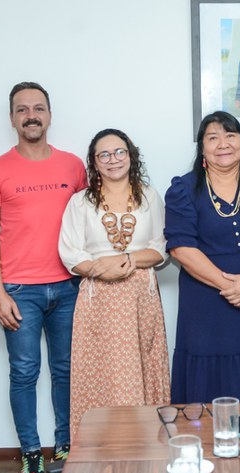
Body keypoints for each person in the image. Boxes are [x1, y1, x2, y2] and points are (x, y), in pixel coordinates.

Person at [0, 82, 86, 473]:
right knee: (23, 373)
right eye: (22, 109)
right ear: (12, 118)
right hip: (19, 291)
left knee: (66, 371)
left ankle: (65, 446)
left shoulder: (73, 166)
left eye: (38, 108)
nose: (31, 115)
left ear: (50, 115)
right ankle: (30, 454)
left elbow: (88, 223)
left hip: (69, 287)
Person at [164, 110, 240, 403]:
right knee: (207, 382)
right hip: (205, 304)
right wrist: (229, 286)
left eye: (230, 135)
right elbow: (181, 247)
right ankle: (206, 441)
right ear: (202, 147)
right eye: (213, 137)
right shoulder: (183, 188)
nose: (223, 144)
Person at [59, 128, 170, 439]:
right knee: (102, 375)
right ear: (94, 162)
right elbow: (69, 252)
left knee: (141, 372)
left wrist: (130, 261)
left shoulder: (149, 196)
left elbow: (160, 247)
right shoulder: (80, 202)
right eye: (104, 154)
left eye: (120, 152)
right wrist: (101, 269)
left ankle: (146, 444)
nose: (113, 160)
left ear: (131, 155)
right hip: (99, 300)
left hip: (140, 299)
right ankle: (101, 448)